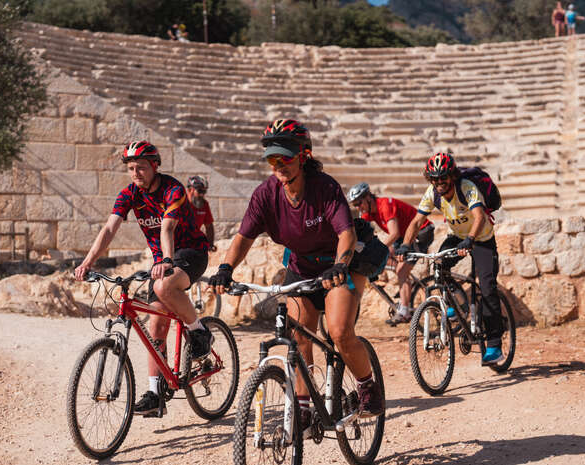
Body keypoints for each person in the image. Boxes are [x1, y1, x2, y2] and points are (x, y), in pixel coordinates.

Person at [209, 119, 384, 431]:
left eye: (285, 159)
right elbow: (243, 239)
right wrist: (225, 269)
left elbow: (345, 233)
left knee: (340, 331)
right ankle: (303, 408)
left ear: (303, 156)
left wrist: (340, 266)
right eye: (272, 160)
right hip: (301, 269)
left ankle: (367, 385)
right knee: (298, 336)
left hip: (336, 267)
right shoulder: (265, 195)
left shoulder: (325, 188)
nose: (277, 166)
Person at [74, 141, 213, 416]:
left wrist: (165, 260)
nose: (135, 173)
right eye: (130, 168)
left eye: (141, 167)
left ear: (154, 166)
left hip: (190, 253)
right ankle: (154, 392)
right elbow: (109, 229)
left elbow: (168, 228)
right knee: (156, 328)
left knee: (164, 285)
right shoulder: (128, 194)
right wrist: (88, 261)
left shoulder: (173, 189)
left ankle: (198, 330)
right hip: (164, 260)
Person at [397, 153, 505, 365]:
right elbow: (416, 221)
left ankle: (494, 344)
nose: (439, 183)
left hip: (481, 239)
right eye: (434, 178)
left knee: (487, 286)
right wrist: (405, 245)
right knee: (438, 265)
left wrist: (471, 240)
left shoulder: (466, 188)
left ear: (452, 176)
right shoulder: (432, 193)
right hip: (457, 237)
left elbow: (480, 216)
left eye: (443, 177)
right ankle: (456, 307)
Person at [347, 182, 434, 325]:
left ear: (368, 197)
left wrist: (376, 249)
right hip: (404, 237)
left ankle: (404, 312)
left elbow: (394, 234)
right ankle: (405, 283)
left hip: (422, 232)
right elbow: (363, 233)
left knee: (400, 269)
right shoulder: (369, 212)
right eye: (355, 205)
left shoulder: (384, 206)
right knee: (387, 259)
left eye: (359, 203)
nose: (358, 207)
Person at [186, 175, 216, 252]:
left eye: (204, 191)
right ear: (190, 190)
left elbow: (209, 226)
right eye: (200, 191)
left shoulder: (204, 204)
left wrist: (210, 244)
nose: (202, 194)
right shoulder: (181, 203)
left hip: (193, 243)